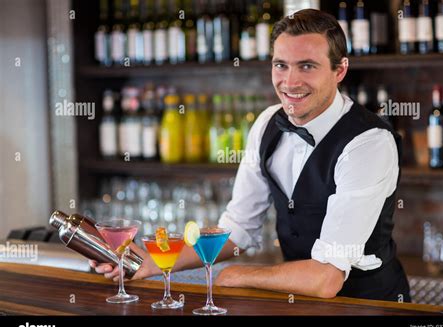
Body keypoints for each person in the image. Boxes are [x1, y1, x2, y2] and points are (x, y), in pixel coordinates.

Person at [90, 9, 411, 302]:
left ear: (340, 70)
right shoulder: (267, 124)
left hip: (370, 305)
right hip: (300, 305)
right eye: (281, 65)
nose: (290, 82)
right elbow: (238, 230)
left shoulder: (368, 142)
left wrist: (236, 275)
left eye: (307, 66)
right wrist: (155, 258)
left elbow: (325, 279)